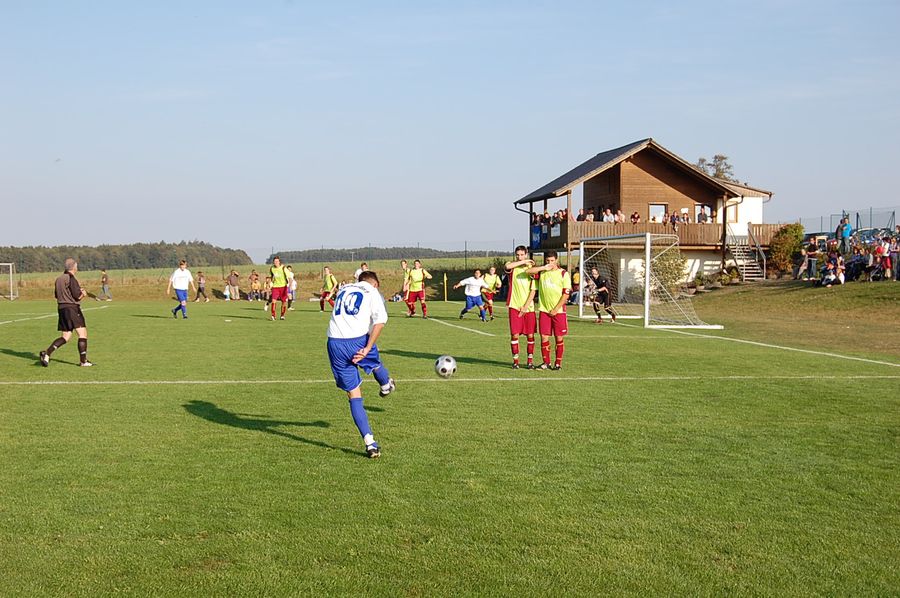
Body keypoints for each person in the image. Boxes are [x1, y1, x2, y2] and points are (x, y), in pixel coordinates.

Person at [326, 270, 395, 459]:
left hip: (334, 342)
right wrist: (367, 347)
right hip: (356, 340)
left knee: (353, 394)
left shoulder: (344, 288)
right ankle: (385, 385)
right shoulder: (372, 292)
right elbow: (380, 322)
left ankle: (370, 443)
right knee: (374, 361)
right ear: (375, 284)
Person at [39, 258, 93, 367]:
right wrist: (83, 294)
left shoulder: (59, 279)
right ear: (73, 267)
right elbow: (77, 296)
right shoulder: (71, 278)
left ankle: (47, 353)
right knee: (82, 334)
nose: (77, 268)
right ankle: (83, 361)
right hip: (72, 308)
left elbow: (56, 295)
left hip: (61, 309)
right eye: (76, 266)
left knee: (66, 336)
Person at [527, 250, 571, 370]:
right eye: (547, 260)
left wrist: (556, 309)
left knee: (559, 338)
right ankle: (546, 363)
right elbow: (528, 271)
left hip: (559, 312)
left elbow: (566, 294)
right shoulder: (542, 272)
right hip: (544, 310)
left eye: (552, 260)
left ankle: (558, 364)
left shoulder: (563, 274)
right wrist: (543, 267)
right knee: (544, 337)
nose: (550, 263)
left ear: (556, 260)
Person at [504, 245, 537, 369]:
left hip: (528, 307)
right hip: (514, 305)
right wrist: (524, 261)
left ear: (526, 254)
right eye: (517, 255)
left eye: (522, 255)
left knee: (530, 335)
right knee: (514, 335)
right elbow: (507, 266)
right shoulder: (512, 267)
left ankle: (530, 362)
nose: (519, 257)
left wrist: (525, 306)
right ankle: (515, 362)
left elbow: (533, 290)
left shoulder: (531, 269)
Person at [268, 256, 289, 321]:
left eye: (277, 261)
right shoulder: (272, 268)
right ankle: (273, 315)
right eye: (274, 261)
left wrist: (289, 285)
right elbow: (271, 277)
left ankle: (282, 315)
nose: (276, 262)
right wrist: (270, 284)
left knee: (284, 302)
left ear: (279, 262)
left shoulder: (283, 268)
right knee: (273, 301)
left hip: (283, 287)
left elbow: (289, 277)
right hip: (275, 287)